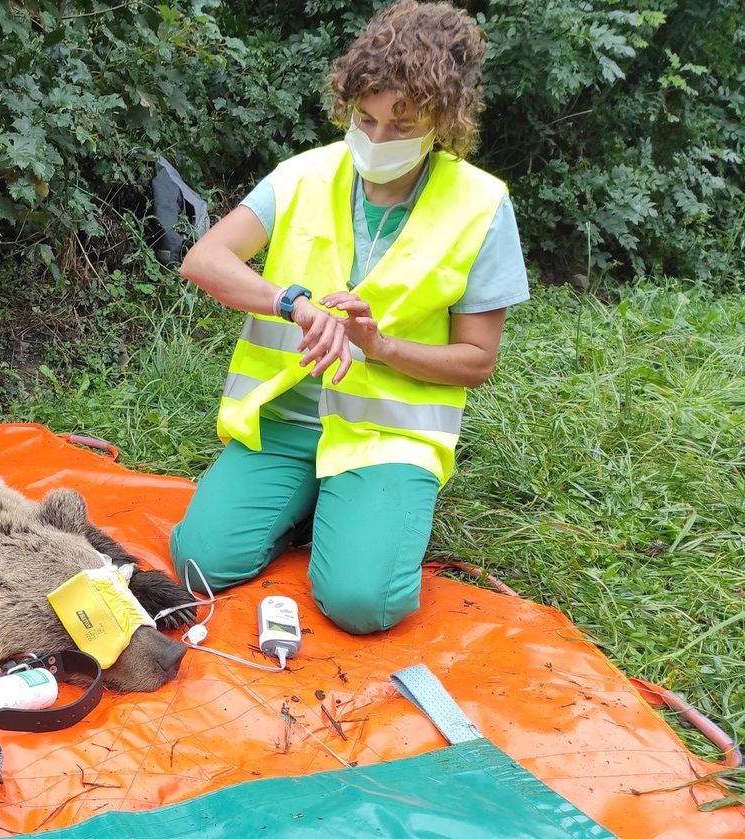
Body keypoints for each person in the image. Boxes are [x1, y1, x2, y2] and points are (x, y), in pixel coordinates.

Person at [170, 0, 529, 635]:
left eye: (403, 123)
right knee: (199, 561)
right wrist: (294, 304)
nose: (378, 139)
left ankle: (365, 507)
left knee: (365, 605)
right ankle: (315, 504)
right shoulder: (305, 175)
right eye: (366, 118)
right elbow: (204, 259)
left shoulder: (483, 204)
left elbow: (477, 361)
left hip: (386, 435)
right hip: (284, 420)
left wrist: (379, 344)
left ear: (443, 120)